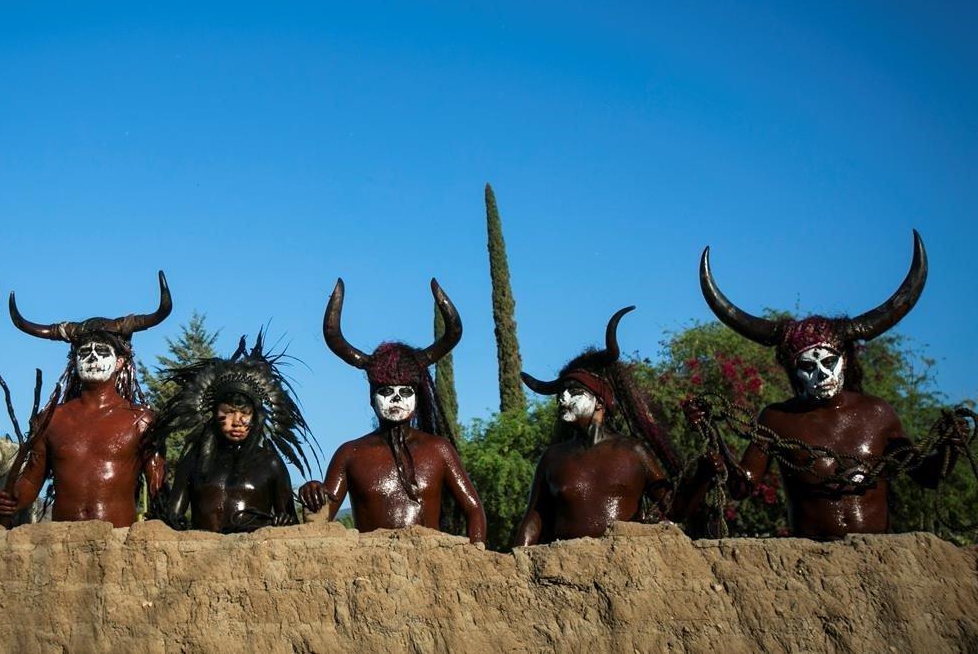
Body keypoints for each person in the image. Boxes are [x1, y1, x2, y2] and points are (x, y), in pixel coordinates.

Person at [692, 231, 962, 538]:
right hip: (811, 564)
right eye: (807, 366)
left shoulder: (878, 414)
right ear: (795, 373)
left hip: (882, 561)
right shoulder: (777, 419)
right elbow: (742, 486)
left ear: (845, 360)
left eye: (828, 362)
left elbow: (927, 476)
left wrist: (950, 446)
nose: (821, 374)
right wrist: (713, 441)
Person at [299, 279, 487, 544]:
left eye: (406, 391)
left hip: (430, 570)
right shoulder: (350, 454)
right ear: (371, 396)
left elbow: (473, 509)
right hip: (371, 572)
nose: (396, 399)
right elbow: (322, 517)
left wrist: (476, 558)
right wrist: (313, 492)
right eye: (385, 391)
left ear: (418, 395)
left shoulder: (439, 450)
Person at [514, 307, 715, 544]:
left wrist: (704, 475)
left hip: (624, 568)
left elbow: (675, 509)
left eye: (574, 392)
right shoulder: (553, 458)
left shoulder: (633, 452)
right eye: (561, 393)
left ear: (600, 401)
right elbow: (534, 519)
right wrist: (517, 563)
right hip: (564, 569)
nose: (563, 399)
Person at [0, 272, 170, 528]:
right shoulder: (52, 419)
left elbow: (158, 487)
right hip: (62, 543)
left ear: (120, 362)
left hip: (119, 543)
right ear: (74, 361)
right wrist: (12, 500)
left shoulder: (140, 420)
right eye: (84, 352)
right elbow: (32, 480)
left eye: (102, 352)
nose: (92, 359)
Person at [157, 333, 317, 533]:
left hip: (256, 557)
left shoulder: (270, 462)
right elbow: (172, 518)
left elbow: (290, 522)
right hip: (200, 558)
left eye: (245, 413)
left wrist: (283, 521)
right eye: (229, 412)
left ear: (255, 417)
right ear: (215, 415)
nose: (237, 422)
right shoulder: (193, 461)